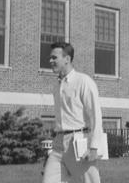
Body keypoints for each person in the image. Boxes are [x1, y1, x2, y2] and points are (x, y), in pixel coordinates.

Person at [42, 42, 104, 183]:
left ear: (67, 59)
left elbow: (95, 116)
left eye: (54, 58)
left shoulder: (84, 82)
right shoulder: (56, 85)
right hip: (58, 145)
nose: (50, 61)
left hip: (79, 142)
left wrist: (94, 147)